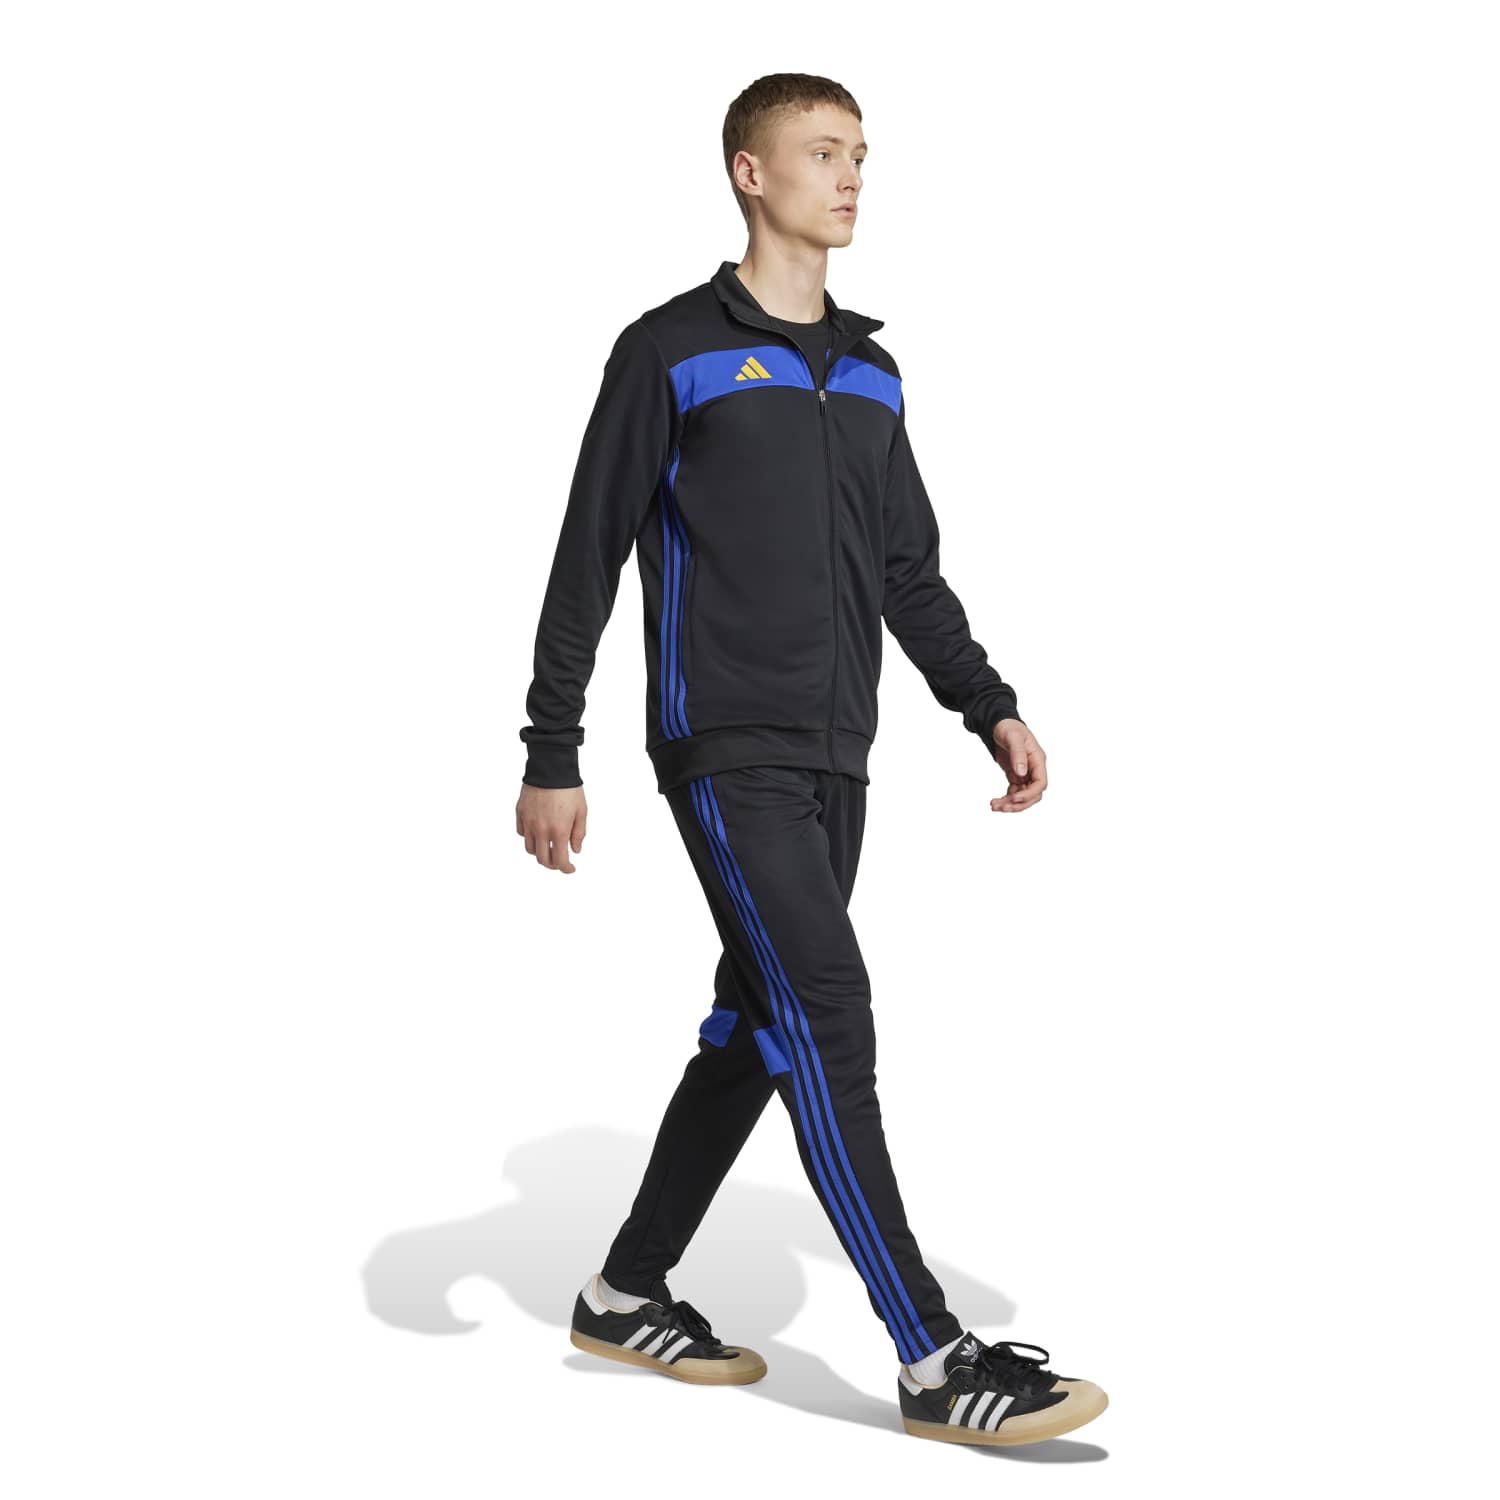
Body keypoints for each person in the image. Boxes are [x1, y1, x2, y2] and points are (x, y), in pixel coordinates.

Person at [515, 72, 1107, 1446]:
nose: (850, 178)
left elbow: (907, 570)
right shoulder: (672, 348)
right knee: (828, 1009)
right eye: (823, 152)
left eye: (860, 156)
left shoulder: (871, 370)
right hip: (725, 744)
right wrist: (553, 746)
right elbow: (586, 551)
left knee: (758, 1021)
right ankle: (934, 1357)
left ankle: (624, 1291)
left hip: (843, 750)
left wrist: (987, 703)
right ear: (750, 171)